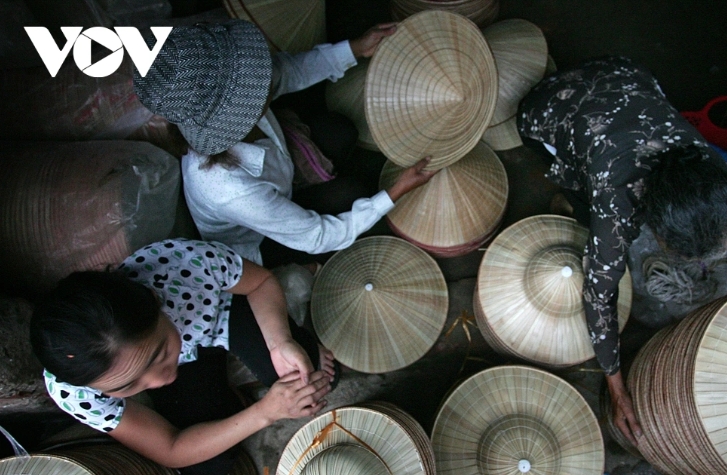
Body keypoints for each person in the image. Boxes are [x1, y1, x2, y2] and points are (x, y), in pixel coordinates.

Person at [516, 56, 727, 445]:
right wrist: (619, 391)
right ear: (656, 223)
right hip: (548, 110)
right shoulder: (616, 197)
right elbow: (599, 295)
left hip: (626, 73)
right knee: (588, 209)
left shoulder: (713, 177)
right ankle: (572, 201)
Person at [133, 20, 436, 269]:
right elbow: (317, 235)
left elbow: (286, 72)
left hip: (279, 175)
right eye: (253, 87)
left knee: (340, 131)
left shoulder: (228, 95)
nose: (264, 81)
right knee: (353, 193)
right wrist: (395, 192)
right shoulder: (230, 189)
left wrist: (356, 47)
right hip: (262, 237)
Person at [31, 239, 333, 474]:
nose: (163, 379)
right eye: (127, 385)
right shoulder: (74, 390)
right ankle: (227, 394)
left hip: (217, 318)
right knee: (207, 465)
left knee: (310, 375)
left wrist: (280, 341)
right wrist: (264, 412)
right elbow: (171, 448)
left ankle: (297, 314)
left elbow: (261, 282)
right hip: (190, 354)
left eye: (158, 354)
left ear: (154, 300)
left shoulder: (183, 264)